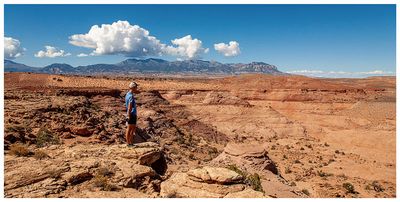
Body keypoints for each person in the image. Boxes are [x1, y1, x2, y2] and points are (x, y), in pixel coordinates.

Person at [125, 81, 140, 147]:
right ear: (133, 88)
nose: (137, 88)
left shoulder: (127, 94)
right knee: (131, 129)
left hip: (129, 114)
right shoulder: (131, 96)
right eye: (136, 87)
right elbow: (130, 106)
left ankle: (129, 143)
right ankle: (129, 143)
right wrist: (129, 115)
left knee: (129, 129)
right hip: (132, 114)